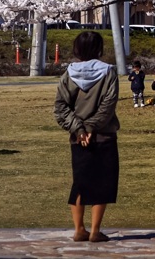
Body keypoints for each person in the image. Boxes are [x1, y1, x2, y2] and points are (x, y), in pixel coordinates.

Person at [53, 31, 120, 243]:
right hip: (104, 135)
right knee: (103, 183)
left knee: (80, 182)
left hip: (78, 138)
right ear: (99, 49)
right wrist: (91, 127)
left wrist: (79, 129)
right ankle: (95, 230)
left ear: (77, 49)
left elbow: (61, 107)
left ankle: (79, 229)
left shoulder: (68, 75)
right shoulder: (109, 72)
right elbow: (108, 105)